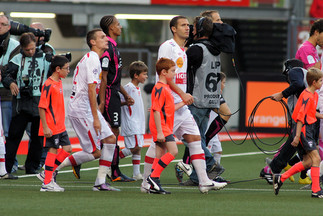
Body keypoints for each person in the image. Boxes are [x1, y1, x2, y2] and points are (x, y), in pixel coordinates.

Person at [141, 15, 227, 194]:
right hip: (169, 105)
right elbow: (163, 74)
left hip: (181, 106)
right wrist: (181, 94)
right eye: (183, 25)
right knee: (158, 146)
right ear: (173, 29)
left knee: (195, 139)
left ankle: (204, 181)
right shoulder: (167, 47)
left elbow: (179, 77)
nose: (187, 28)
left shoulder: (183, 50)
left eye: (188, 25)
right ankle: (145, 183)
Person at [55, 28, 119, 191]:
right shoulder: (92, 59)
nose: (106, 39)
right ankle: (51, 169)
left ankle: (100, 182)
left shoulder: (94, 58)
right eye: (102, 37)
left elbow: (92, 89)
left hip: (87, 109)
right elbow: (91, 89)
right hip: (82, 110)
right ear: (93, 42)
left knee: (110, 139)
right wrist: (96, 117)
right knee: (95, 152)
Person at [176, 16, 228, 185]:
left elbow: (181, 69)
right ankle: (197, 177)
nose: (190, 30)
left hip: (196, 99)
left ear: (198, 29)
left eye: (193, 28)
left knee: (189, 137)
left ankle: (212, 164)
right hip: (210, 99)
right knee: (201, 138)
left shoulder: (196, 49)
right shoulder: (215, 49)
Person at [3, 32, 51, 174]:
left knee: (37, 138)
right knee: (13, 136)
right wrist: (11, 83)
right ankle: (7, 167)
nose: (30, 52)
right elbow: (6, 76)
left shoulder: (45, 57)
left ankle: (32, 167)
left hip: (39, 102)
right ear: (22, 48)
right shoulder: (17, 59)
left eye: (32, 48)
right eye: (27, 49)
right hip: (21, 103)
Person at [273, 67, 323, 198]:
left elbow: (312, 113)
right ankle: (316, 190)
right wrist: (296, 136)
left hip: (308, 130)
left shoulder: (314, 95)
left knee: (308, 162)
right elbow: (300, 118)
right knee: (316, 158)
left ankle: (281, 178)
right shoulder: (306, 95)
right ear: (314, 82)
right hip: (304, 130)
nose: (322, 83)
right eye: (321, 81)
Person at [97, 15, 135, 182]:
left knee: (111, 132)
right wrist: (103, 100)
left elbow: (114, 77)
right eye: (118, 25)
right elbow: (104, 78)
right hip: (109, 94)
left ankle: (111, 169)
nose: (121, 27)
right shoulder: (108, 50)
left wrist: (125, 95)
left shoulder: (114, 48)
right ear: (111, 28)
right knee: (112, 131)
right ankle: (114, 171)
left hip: (114, 92)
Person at [260, 59, 307, 184]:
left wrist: (282, 94)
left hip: (305, 117)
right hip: (305, 118)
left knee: (305, 152)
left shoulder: (295, 71)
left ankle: (274, 170)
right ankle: (273, 170)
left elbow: (297, 84)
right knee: (306, 151)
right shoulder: (304, 74)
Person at [146, 58, 184, 194]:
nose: (174, 74)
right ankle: (153, 178)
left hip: (163, 125)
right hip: (161, 126)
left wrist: (184, 102)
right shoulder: (160, 88)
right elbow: (156, 110)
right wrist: (161, 132)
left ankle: (153, 185)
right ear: (163, 72)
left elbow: (168, 109)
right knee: (173, 151)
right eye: (173, 71)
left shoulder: (165, 87)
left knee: (160, 154)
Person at [36, 55, 72, 192]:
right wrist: (45, 127)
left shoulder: (59, 82)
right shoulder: (48, 84)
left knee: (68, 149)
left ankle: (47, 172)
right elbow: (41, 106)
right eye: (66, 68)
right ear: (58, 69)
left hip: (60, 125)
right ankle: (46, 183)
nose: (68, 71)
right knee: (53, 150)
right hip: (51, 126)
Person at [119, 61, 148, 180]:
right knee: (134, 147)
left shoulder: (137, 88)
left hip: (138, 123)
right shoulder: (128, 88)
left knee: (138, 148)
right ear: (136, 75)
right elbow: (119, 102)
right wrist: (126, 102)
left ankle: (136, 173)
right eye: (144, 74)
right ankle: (111, 162)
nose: (146, 76)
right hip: (132, 123)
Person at [0, 14, 20, 177]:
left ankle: (10, 163)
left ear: (9, 27)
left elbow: (13, 68)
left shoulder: (15, 45)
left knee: (7, 131)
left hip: (7, 93)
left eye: (3, 24)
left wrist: (3, 72)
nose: (0, 26)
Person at [207, 72, 227, 165]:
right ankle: (183, 165)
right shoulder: (212, 95)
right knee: (206, 151)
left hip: (214, 129)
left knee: (218, 150)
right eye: (223, 82)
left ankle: (215, 173)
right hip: (208, 128)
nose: (224, 85)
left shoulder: (218, 94)